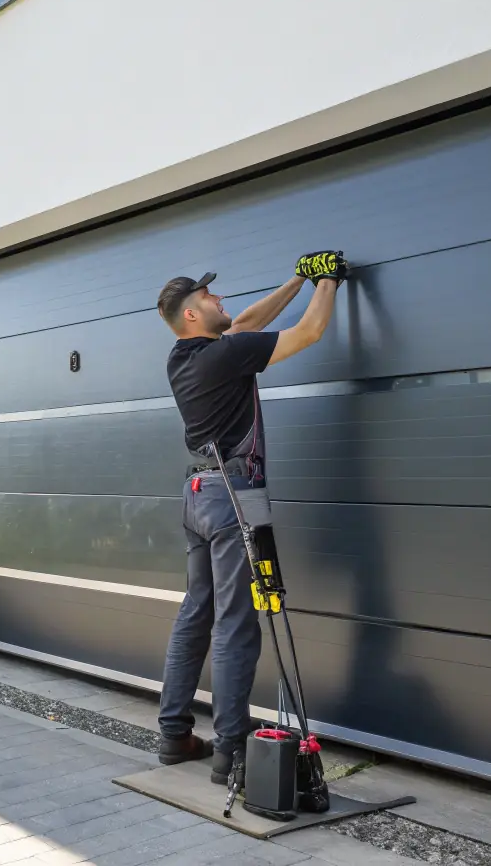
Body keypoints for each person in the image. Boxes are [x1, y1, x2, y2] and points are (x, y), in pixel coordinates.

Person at [153, 252, 348, 783]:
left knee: (197, 611)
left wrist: (295, 279)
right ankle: (231, 751)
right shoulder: (224, 356)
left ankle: (174, 736)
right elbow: (308, 332)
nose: (219, 299)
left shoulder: (184, 357)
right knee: (236, 622)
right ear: (191, 315)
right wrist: (328, 280)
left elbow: (245, 325)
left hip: (198, 495)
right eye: (207, 297)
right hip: (235, 495)